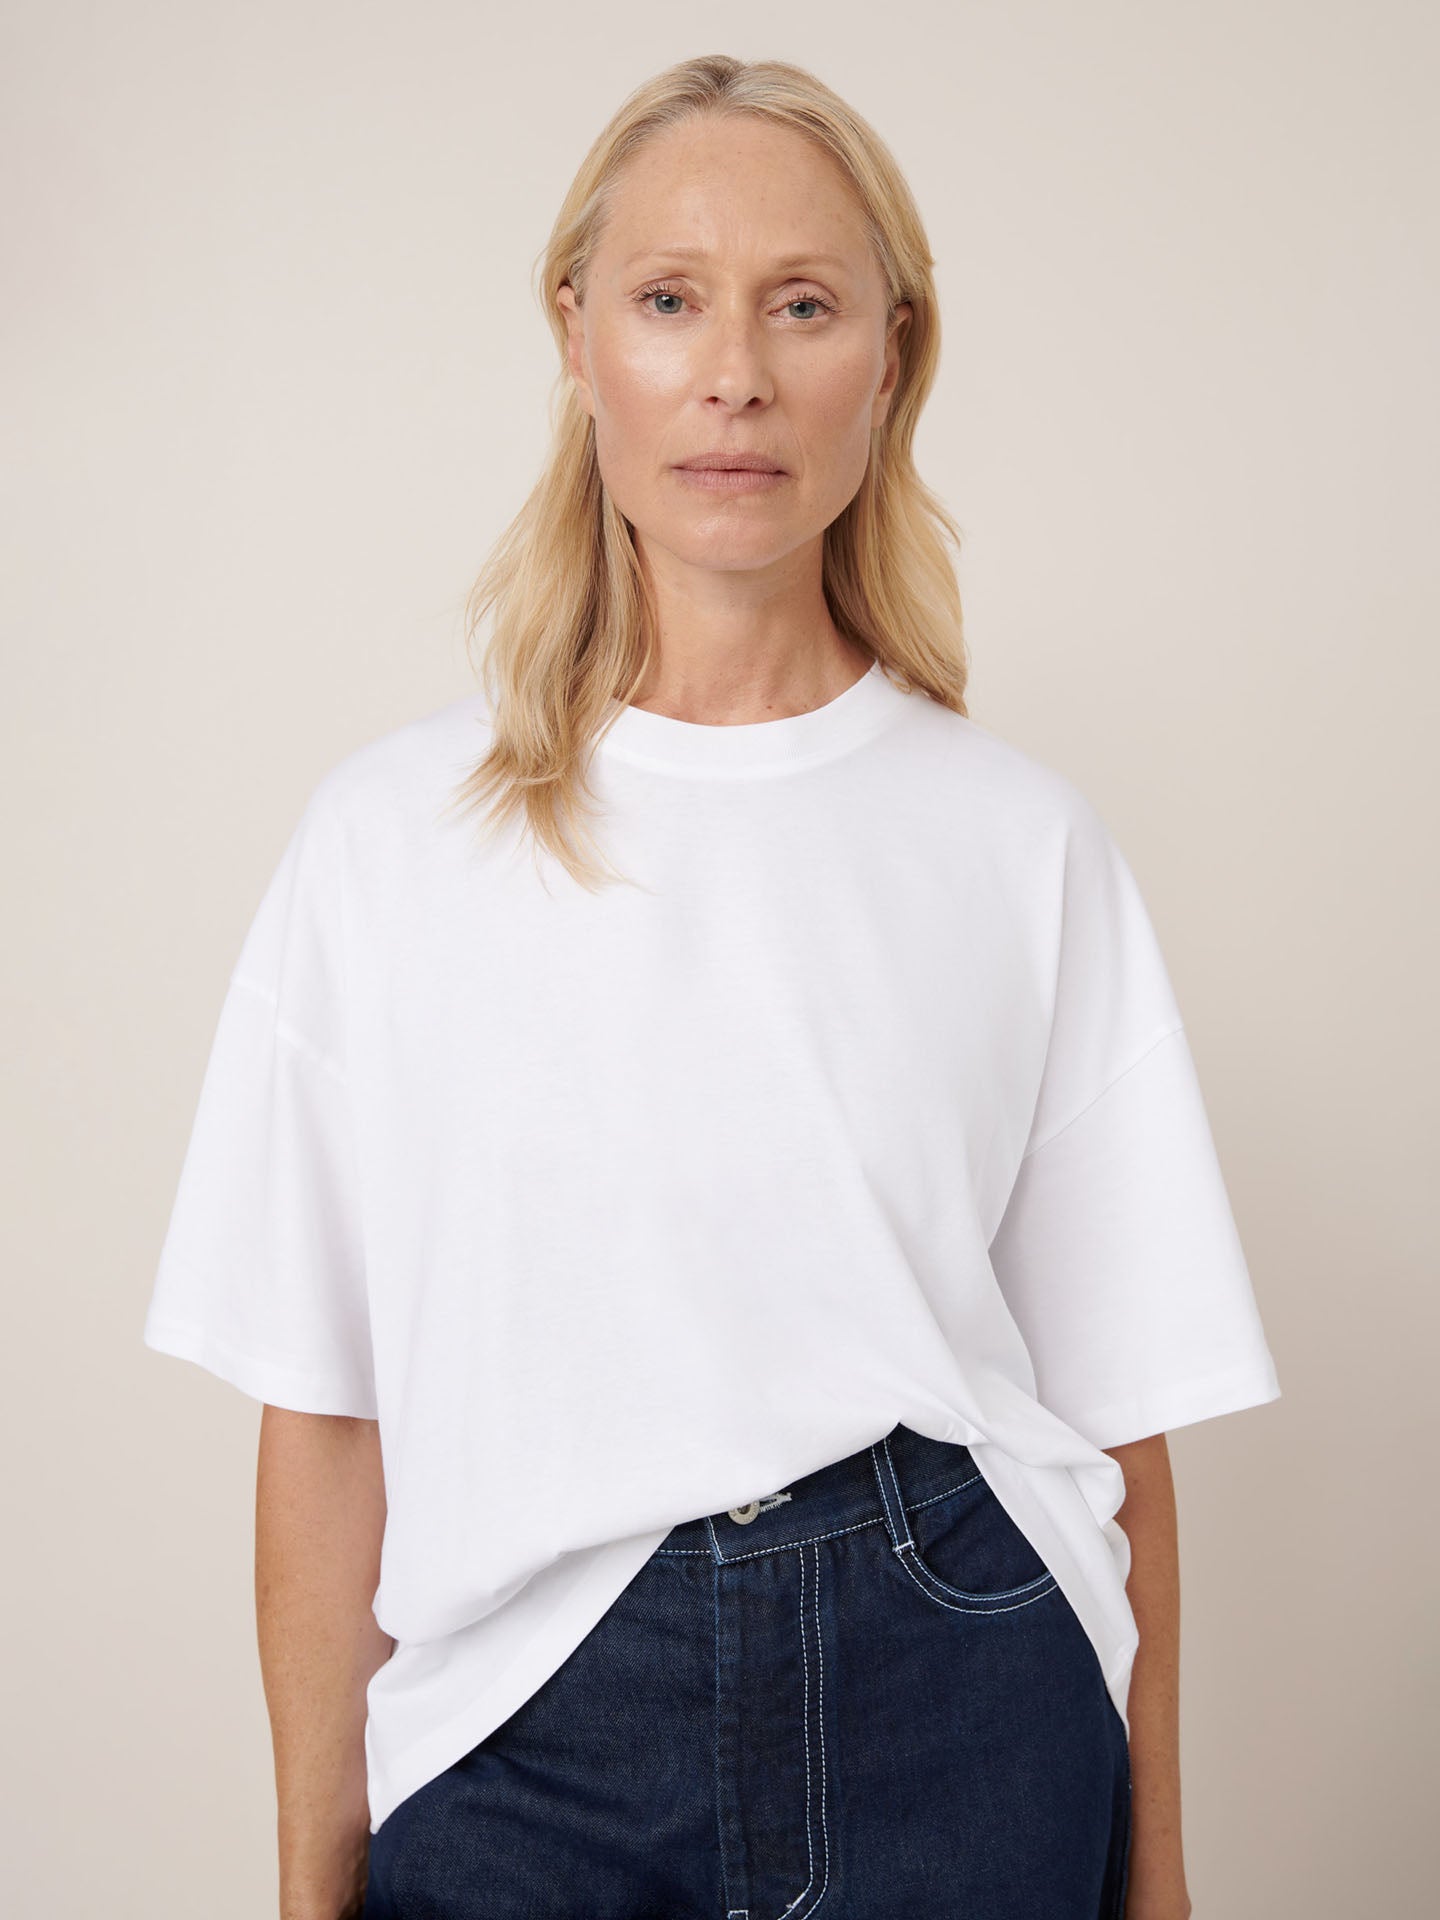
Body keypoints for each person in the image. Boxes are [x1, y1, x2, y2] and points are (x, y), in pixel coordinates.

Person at [142, 52, 1281, 1920]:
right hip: (527, 1733)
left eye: (804, 305)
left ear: (891, 358)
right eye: (671, 299)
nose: (735, 371)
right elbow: (321, 1410)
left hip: (964, 1682)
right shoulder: (385, 846)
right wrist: (310, 1879)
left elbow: (1118, 1405)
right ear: (576, 332)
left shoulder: (1019, 843)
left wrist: (1155, 1883)